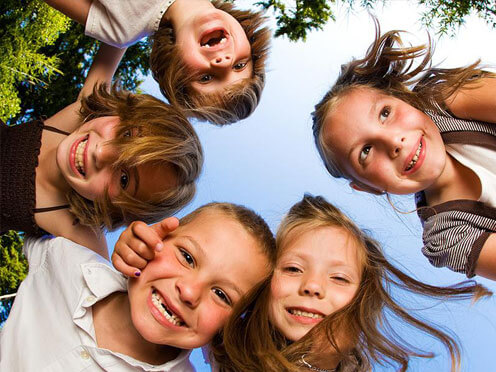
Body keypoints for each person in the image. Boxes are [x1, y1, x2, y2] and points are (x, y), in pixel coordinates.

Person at [208, 195, 490, 372]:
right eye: (293, 269)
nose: (313, 286)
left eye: (339, 278)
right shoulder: (227, 342)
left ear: (362, 296)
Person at [312, 23, 496, 280]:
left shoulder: (444, 102)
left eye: (385, 113)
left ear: (405, 101)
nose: (393, 142)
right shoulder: (445, 237)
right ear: (369, 187)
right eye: (365, 151)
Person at [0, 202, 276, 371]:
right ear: (156, 236)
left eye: (221, 295)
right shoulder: (67, 261)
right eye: (187, 257)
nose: (189, 292)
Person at [0, 80, 203, 258]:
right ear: (121, 111)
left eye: (124, 179)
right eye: (126, 135)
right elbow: (116, 41)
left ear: (118, 210)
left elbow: (108, 292)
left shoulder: (77, 233)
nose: (100, 153)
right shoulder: (77, 117)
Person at [43, 0, 271, 124]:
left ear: (175, 70)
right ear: (250, 39)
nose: (224, 62)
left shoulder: (122, 29)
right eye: (240, 65)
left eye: (206, 78)